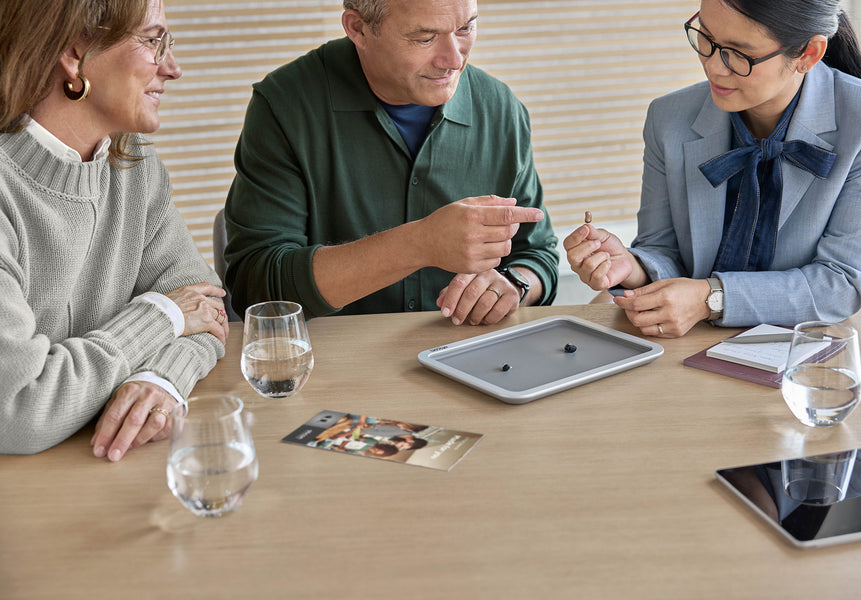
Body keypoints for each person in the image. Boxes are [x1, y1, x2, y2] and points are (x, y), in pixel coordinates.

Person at [565, 0, 861, 337]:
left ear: (808, 54)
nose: (713, 67)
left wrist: (710, 298)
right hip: (692, 343)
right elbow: (662, 249)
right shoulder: (667, 118)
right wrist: (632, 267)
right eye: (706, 39)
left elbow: (841, 283)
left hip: (821, 342)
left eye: (739, 54)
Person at [223, 0, 559, 325]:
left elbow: (537, 254)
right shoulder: (284, 106)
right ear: (359, 28)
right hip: (333, 367)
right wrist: (420, 243)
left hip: (470, 358)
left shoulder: (501, 108)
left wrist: (514, 284)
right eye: (424, 38)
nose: (454, 60)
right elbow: (257, 289)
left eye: (465, 28)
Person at [0, 0, 229, 459]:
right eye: (152, 40)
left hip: (103, 466)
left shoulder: (134, 165)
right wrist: (162, 316)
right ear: (75, 53)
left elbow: (204, 309)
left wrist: (160, 379)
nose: (173, 68)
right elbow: (18, 408)